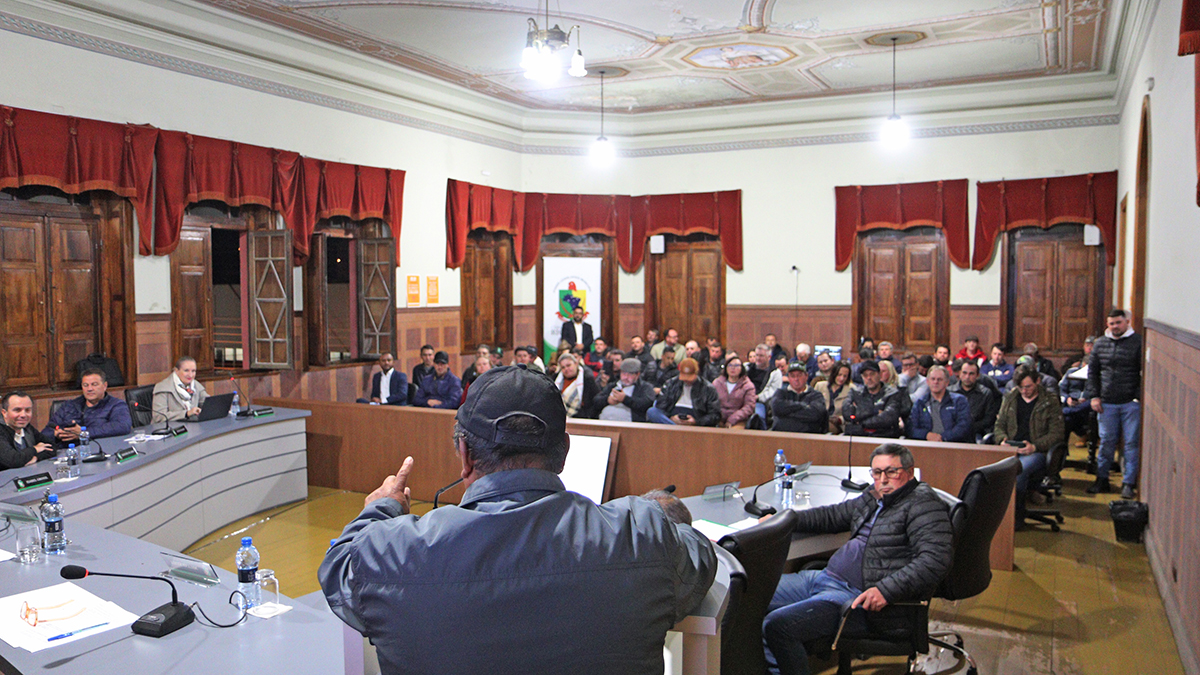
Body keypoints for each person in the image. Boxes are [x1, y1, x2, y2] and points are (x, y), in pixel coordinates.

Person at [319, 365, 716, 674]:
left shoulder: (393, 551)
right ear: (564, 453)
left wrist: (382, 507)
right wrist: (661, 509)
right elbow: (701, 559)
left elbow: (337, 567)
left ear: (466, 455)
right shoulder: (642, 533)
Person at [763, 443, 952, 675]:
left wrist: (885, 590)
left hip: (852, 598)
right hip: (823, 578)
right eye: (877, 472)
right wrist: (783, 520)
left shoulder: (923, 504)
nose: (883, 479)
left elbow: (935, 559)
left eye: (891, 472)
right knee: (750, 594)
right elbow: (831, 516)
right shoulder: (875, 496)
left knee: (778, 626)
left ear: (909, 472)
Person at [1085, 310, 1143, 499]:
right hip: (1106, 402)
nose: (1115, 326)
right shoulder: (1100, 344)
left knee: (1131, 443)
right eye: (1111, 323)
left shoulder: (1138, 342)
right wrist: (1094, 396)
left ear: (1127, 321)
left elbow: (1144, 371)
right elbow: (1092, 372)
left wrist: (1137, 397)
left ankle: (1128, 483)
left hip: (1130, 403)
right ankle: (1102, 480)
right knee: (1106, 442)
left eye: (1118, 322)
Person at [994, 367, 1064, 518]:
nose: (1024, 391)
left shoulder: (1049, 401)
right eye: (1020, 387)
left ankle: (1016, 518)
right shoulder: (1011, 398)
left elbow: (1056, 434)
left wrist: (1035, 446)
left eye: (1028, 387)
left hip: (1036, 450)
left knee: (1018, 471)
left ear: (1037, 382)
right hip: (1010, 448)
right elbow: (999, 425)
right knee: (990, 471)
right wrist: (1002, 439)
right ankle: (998, 517)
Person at [43, 369, 133, 444]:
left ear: (105, 385)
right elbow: (45, 433)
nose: (89, 389)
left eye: (94, 384)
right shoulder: (69, 405)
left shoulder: (116, 405)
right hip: (68, 453)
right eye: (85, 385)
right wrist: (56, 433)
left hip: (100, 450)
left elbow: (122, 426)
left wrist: (84, 433)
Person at [647, 358, 719, 426]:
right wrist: (670, 417)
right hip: (672, 416)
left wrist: (696, 421)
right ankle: (675, 428)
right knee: (652, 412)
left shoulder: (708, 388)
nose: (686, 380)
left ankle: (674, 429)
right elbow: (661, 405)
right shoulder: (671, 383)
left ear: (696, 373)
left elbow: (715, 415)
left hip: (695, 416)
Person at [908, 366, 972, 443]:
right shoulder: (920, 403)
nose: (936, 382)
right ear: (927, 382)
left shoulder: (959, 400)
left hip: (954, 444)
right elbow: (911, 428)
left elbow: (963, 426)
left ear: (947, 383)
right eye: (933, 379)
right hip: (927, 444)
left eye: (940, 379)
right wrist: (926, 435)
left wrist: (942, 437)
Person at [842, 361, 905, 438]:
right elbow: (847, 412)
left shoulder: (892, 393)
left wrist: (860, 421)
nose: (869, 378)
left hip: (883, 436)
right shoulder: (855, 392)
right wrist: (875, 411)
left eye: (872, 374)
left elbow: (888, 419)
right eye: (865, 375)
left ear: (879, 374)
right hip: (858, 436)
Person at [0, 392, 55, 470]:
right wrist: (35, 449)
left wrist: (36, 458)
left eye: (27, 410)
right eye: (17, 410)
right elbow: (13, 460)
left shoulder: (27, 427)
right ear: (4, 413)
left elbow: (52, 447)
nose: (23, 415)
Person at [771, 361, 828, 434]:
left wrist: (787, 415)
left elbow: (815, 415)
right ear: (788, 378)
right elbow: (776, 408)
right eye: (792, 376)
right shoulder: (781, 393)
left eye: (799, 375)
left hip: (810, 438)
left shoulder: (816, 395)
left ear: (806, 376)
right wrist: (802, 406)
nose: (796, 379)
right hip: (782, 436)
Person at [950, 360, 1000, 442]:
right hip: (952, 432)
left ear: (977, 375)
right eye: (964, 373)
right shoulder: (950, 392)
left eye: (971, 374)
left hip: (976, 433)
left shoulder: (985, 393)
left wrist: (970, 427)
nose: (967, 377)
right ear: (959, 373)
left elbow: (989, 419)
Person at [593, 358, 657, 422]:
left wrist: (625, 399)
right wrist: (607, 400)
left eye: (630, 374)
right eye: (624, 373)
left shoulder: (645, 387)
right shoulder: (613, 385)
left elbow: (646, 403)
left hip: (629, 425)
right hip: (604, 422)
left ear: (637, 374)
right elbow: (596, 400)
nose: (626, 377)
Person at [152, 356, 208, 423]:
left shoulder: (196, 385)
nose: (190, 375)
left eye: (193, 371)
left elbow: (208, 403)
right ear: (176, 370)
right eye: (186, 370)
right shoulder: (162, 387)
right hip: (167, 429)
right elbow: (159, 416)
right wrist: (186, 414)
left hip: (192, 426)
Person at [713, 356, 756, 428]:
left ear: (741, 368)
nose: (733, 368)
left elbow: (749, 407)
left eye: (736, 365)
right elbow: (711, 402)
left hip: (738, 420)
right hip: (718, 418)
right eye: (730, 365)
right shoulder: (717, 383)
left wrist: (733, 419)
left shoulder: (748, 386)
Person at [555, 352, 599, 419]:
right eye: (563, 367)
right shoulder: (556, 379)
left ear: (576, 364)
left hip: (581, 417)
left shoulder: (587, 379)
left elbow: (595, 401)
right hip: (557, 416)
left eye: (568, 365)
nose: (566, 369)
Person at [814, 360, 853, 434]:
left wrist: (840, 419)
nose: (842, 378)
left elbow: (854, 413)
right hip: (819, 420)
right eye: (839, 375)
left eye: (845, 376)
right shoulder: (820, 386)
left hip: (839, 425)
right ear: (834, 373)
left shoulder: (851, 389)